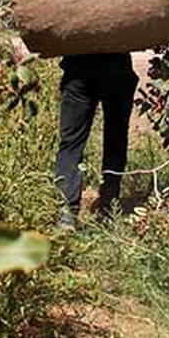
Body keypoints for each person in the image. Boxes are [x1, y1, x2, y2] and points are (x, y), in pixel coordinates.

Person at [54, 52, 139, 230]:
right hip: (117, 69)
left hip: (79, 70)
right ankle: (108, 209)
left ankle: (67, 212)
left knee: (71, 144)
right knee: (116, 141)